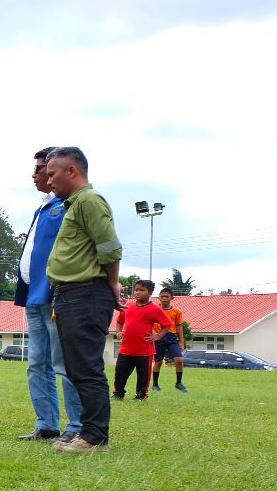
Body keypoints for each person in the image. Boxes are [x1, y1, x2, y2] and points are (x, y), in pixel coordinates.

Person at [46, 146, 123, 453]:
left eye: (53, 174)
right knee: (77, 367)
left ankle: (94, 438)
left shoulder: (89, 201)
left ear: (72, 171)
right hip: (70, 295)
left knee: (87, 367)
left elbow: (109, 247)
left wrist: (113, 283)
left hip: (86, 293)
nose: (49, 180)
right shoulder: (73, 205)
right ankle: (89, 434)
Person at [13, 148, 83, 443]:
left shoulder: (70, 205)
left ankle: (77, 426)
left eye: (42, 169)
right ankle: (46, 423)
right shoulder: (42, 207)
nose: (36, 174)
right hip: (33, 296)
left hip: (56, 295)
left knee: (64, 363)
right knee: (36, 364)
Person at [114, 279, 172, 400]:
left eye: (142, 290)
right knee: (120, 372)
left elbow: (167, 325)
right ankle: (118, 393)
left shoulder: (155, 309)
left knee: (143, 375)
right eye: (136, 290)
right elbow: (119, 322)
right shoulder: (127, 306)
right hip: (126, 349)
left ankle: (141, 395)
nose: (137, 293)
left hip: (144, 350)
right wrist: (118, 331)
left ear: (150, 292)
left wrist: (157, 336)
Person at [152, 287, 188, 393]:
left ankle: (179, 383)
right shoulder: (155, 310)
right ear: (159, 298)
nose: (164, 298)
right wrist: (154, 335)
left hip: (172, 338)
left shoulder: (177, 312)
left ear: (172, 298)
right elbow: (149, 324)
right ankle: (155, 385)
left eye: (166, 296)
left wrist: (181, 342)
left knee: (179, 360)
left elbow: (179, 327)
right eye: (162, 296)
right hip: (158, 338)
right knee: (158, 362)